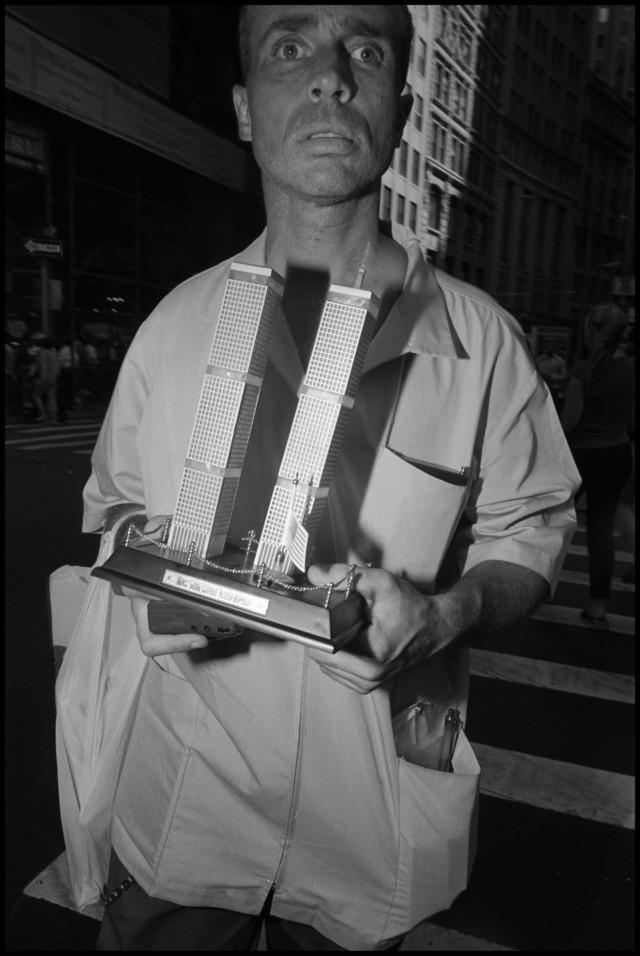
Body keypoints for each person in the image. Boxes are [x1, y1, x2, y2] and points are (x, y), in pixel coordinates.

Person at [66, 6, 580, 951]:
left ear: (399, 109)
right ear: (243, 108)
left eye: (367, 50)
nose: (330, 74)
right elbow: (116, 509)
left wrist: (450, 612)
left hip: (369, 820)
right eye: (290, 46)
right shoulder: (174, 328)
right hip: (187, 804)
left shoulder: (481, 346)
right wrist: (154, 571)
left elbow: (532, 531)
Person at [561, 303, 635, 627]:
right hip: (618, 453)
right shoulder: (630, 368)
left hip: (583, 456)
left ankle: (538, 588)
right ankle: (598, 606)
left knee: (556, 522)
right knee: (601, 529)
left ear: (591, 330)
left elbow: (570, 422)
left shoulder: (582, 371)